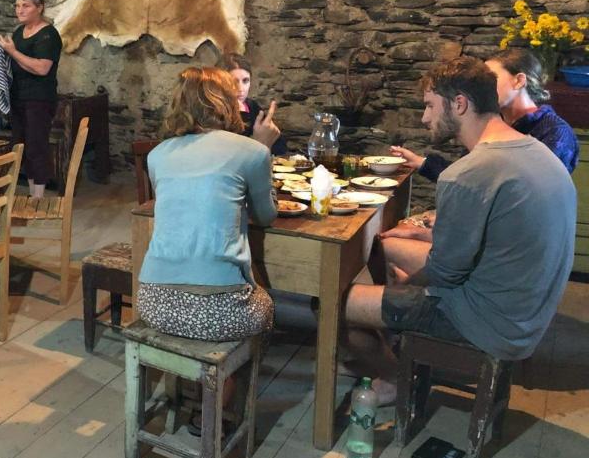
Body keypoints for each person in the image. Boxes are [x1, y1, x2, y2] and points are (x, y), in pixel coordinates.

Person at [344, 57, 576, 403]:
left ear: (460, 104)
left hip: (491, 322)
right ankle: (394, 334)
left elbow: (445, 273)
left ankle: (393, 378)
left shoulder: (467, 174)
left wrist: (403, 289)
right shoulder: (537, 151)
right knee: (382, 245)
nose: (425, 118)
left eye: (429, 106)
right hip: (529, 311)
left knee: (334, 303)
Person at [139, 67, 279, 344]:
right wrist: (263, 147)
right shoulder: (252, 151)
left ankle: (202, 380)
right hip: (221, 310)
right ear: (229, 103)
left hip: (152, 302)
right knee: (270, 304)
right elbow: (266, 216)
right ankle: (227, 384)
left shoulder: (156, 155)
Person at [391, 49, 579, 178]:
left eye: (491, 78)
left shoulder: (555, 131)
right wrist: (423, 163)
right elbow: (472, 178)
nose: (483, 85)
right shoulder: (493, 122)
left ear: (519, 80)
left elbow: (519, 192)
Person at [0, 0, 62, 199]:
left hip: (38, 99)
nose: (19, 10)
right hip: (19, 97)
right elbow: (15, 61)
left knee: (36, 146)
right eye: (17, 6)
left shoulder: (48, 35)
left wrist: (12, 52)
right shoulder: (19, 32)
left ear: (39, 8)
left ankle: (38, 197)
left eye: (25, 6)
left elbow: (42, 68)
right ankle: (32, 193)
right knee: (21, 146)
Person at [220, 53, 288, 155]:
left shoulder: (252, 106)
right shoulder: (214, 112)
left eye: (245, 81)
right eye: (234, 82)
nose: (240, 89)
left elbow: (280, 147)